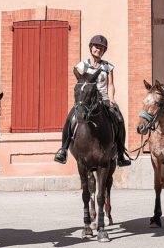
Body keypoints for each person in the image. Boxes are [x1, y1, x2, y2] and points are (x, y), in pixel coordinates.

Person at [53, 34, 132, 167]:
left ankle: (120, 153)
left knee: (119, 118)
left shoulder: (108, 67)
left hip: (103, 99)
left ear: (104, 51)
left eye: (101, 48)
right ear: (91, 48)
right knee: (70, 118)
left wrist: (111, 98)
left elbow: (111, 85)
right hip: (86, 100)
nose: (98, 49)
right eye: (96, 47)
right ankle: (64, 149)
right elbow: (79, 80)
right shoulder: (82, 65)